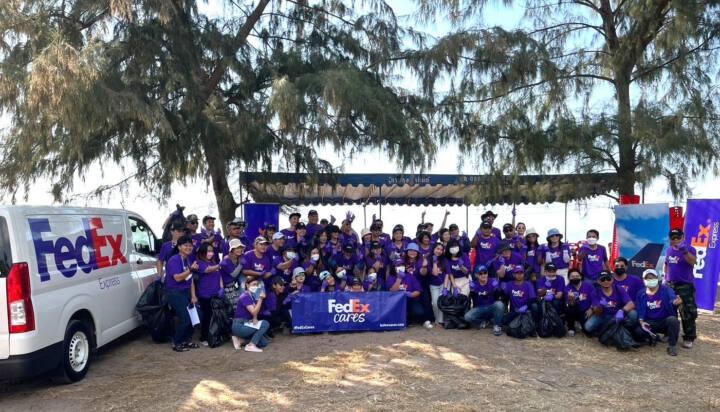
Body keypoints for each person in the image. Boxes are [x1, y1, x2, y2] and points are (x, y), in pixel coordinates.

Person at [634, 269, 683, 356]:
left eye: (652, 277)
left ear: (657, 278)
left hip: (665, 321)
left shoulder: (666, 290)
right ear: (643, 280)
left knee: (673, 320)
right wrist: (641, 322)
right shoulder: (641, 293)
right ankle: (654, 337)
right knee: (638, 331)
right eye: (647, 278)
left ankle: (672, 346)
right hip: (650, 322)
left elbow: (673, 299)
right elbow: (640, 310)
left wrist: (676, 301)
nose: (650, 280)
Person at [664, 228, 698, 349]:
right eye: (673, 238)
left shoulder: (690, 249)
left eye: (678, 237)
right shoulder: (669, 250)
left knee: (687, 312)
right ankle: (670, 334)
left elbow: (693, 262)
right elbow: (667, 265)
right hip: (671, 285)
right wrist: (665, 278)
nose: (676, 240)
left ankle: (689, 337)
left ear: (683, 237)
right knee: (669, 310)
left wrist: (685, 252)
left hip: (685, 285)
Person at [164, 236, 199, 352]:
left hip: (186, 292)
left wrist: (193, 296)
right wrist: (191, 270)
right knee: (185, 318)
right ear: (179, 247)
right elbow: (177, 278)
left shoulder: (187, 259)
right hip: (175, 292)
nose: (188, 247)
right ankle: (177, 342)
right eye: (185, 245)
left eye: (190, 245)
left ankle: (186, 340)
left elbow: (191, 280)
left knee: (195, 317)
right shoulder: (174, 260)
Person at [584, 270, 637, 336]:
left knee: (633, 314)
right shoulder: (595, 292)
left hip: (618, 314)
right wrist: (599, 306)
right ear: (598, 281)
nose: (606, 281)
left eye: (608, 278)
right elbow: (598, 312)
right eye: (602, 279)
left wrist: (622, 311)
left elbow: (631, 304)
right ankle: (606, 329)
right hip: (604, 315)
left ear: (612, 279)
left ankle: (628, 330)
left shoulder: (619, 289)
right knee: (588, 326)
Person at [387, 258, 434, 329]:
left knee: (419, 312)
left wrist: (411, 295)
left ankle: (416, 320)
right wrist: (399, 279)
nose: (401, 267)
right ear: (394, 267)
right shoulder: (391, 277)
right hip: (397, 302)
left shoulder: (410, 276)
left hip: (410, 300)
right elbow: (392, 290)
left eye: (402, 265)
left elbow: (418, 290)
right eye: (398, 265)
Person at [231, 277, 271, 353]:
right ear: (247, 285)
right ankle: (251, 345)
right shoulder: (245, 296)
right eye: (253, 284)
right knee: (265, 323)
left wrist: (255, 318)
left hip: (246, 323)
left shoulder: (251, 296)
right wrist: (260, 299)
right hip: (239, 325)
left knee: (263, 342)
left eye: (257, 285)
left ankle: (241, 340)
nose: (255, 286)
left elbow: (254, 313)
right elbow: (254, 312)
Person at [195, 243, 223, 346]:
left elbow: (219, 276)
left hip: (216, 293)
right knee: (207, 316)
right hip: (205, 294)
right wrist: (220, 264)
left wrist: (221, 288)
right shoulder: (199, 263)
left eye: (211, 251)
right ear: (202, 252)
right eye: (208, 251)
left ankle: (213, 335)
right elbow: (207, 270)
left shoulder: (213, 262)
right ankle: (204, 337)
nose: (210, 253)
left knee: (215, 316)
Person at [464, 265, 504, 336]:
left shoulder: (493, 281)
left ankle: (497, 326)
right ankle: (483, 322)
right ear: (476, 275)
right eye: (480, 273)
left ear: (487, 273)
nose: (483, 275)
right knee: (467, 317)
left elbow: (498, 294)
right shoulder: (473, 284)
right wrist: (473, 291)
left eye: (485, 272)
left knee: (499, 304)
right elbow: (472, 295)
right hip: (480, 308)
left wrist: (496, 290)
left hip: (491, 307)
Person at [564, 268, 595, 337]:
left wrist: (591, 309)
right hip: (574, 310)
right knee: (569, 308)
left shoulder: (589, 285)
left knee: (588, 331)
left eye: (577, 276)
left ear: (580, 277)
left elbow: (595, 299)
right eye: (572, 276)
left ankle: (580, 323)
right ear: (569, 278)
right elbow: (569, 304)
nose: (575, 278)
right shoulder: (567, 288)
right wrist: (571, 299)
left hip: (586, 311)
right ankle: (571, 327)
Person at [427, 242, 447, 324]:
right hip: (433, 284)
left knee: (441, 302)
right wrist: (435, 262)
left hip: (443, 283)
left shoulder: (444, 259)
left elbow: (447, 273)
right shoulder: (429, 259)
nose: (439, 251)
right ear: (433, 249)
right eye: (437, 249)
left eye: (441, 250)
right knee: (435, 303)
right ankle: (437, 320)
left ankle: (440, 321)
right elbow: (435, 273)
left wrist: (445, 287)